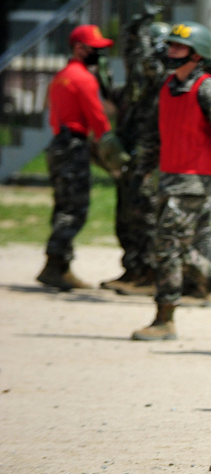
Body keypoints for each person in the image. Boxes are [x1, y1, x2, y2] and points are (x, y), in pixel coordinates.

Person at [130, 21, 211, 341]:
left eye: (179, 47)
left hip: (195, 181)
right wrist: (142, 169)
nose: (170, 51)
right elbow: (153, 134)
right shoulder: (167, 86)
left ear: (197, 54)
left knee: (165, 246)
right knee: (178, 247)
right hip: (169, 178)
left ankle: (169, 317)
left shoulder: (207, 89)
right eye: (171, 45)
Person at [39, 23, 119, 291]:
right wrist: (111, 149)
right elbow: (97, 117)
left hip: (58, 143)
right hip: (74, 145)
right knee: (75, 208)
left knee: (63, 204)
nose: (99, 54)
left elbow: (52, 115)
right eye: (95, 49)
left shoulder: (60, 77)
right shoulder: (83, 79)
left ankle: (61, 267)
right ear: (79, 48)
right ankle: (55, 265)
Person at [103, 12, 168, 294]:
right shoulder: (137, 81)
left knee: (146, 214)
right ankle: (134, 268)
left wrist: (141, 40)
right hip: (132, 152)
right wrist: (131, 33)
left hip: (152, 155)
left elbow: (149, 67)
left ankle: (150, 273)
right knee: (127, 214)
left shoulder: (163, 76)